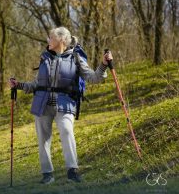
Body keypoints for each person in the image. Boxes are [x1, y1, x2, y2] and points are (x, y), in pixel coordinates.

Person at [9, 27, 113, 184]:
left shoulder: (76, 58)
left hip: (65, 103)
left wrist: (103, 65)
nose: (48, 40)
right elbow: (37, 83)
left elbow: (94, 77)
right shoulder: (45, 58)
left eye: (51, 37)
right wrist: (19, 85)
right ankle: (47, 174)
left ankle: (72, 170)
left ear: (61, 40)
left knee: (66, 130)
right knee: (43, 139)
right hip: (42, 104)